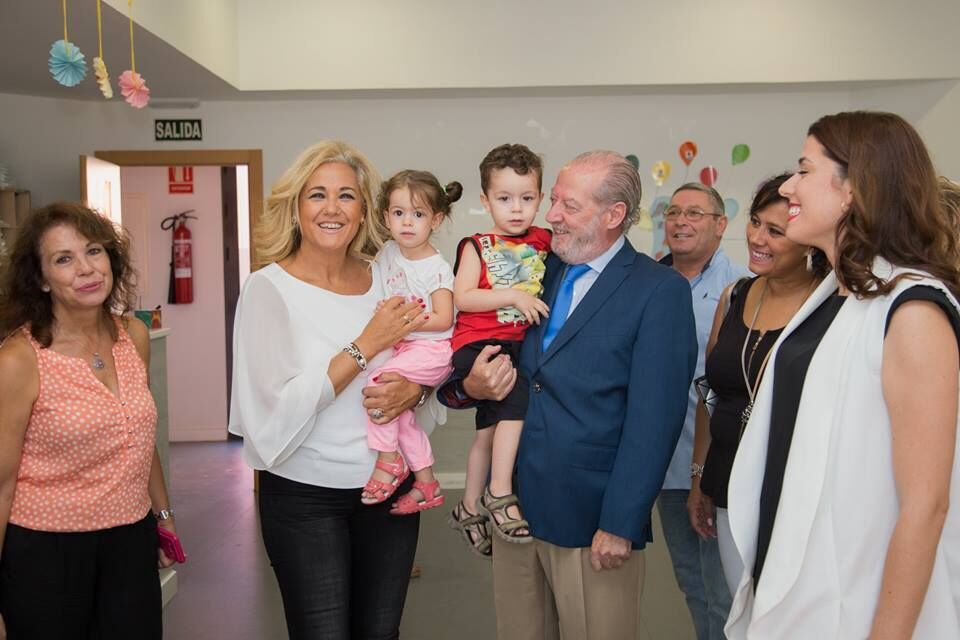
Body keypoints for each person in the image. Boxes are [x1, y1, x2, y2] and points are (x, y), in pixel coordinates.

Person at [443, 150, 698, 639]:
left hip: (591, 516)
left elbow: (655, 420)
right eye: (553, 200)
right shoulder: (538, 268)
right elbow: (486, 344)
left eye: (569, 205)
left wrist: (621, 521)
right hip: (514, 507)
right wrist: (469, 385)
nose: (551, 214)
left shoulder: (658, 291)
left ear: (613, 214)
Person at [725, 112, 960, 638]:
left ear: (854, 189)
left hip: (857, 604)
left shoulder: (913, 311)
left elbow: (927, 506)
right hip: (796, 586)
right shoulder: (838, 297)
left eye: (804, 170)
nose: (789, 187)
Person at [228, 140, 430, 639]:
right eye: (317, 195)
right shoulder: (268, 288)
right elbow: (269, 410)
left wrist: (417, 392)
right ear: (296, 208)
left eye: (347, 196)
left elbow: (424, 361)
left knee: (381, 633)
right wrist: (365, 344)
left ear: (363, 212)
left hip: (388, 490)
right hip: (304, 498)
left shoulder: (388, 278)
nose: (332, 208)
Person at [0, 202, 177, 639]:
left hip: (130, 541)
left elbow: (140, 438)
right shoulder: (20, 359)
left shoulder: (132, 336)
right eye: (64, 259)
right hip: (47, 552)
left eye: (93, 251)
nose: (86, 269)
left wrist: (163, 516)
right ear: (42, 279)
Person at [685, 174, 825, 596]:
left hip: (792, 491)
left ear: (810, 241)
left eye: (775, 231)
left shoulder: (830, 305)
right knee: (739, 609)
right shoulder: (735, 296)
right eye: (755, 222)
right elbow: (710, 394)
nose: (757, 238)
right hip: (727, 481)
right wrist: (699, 476)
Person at [447, 143, 552, 554]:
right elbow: (464, 297)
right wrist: (512, 296)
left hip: (514, 345)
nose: (517, 209)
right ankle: (500, 491)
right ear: (485, 200)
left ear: (540, 199)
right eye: (504, 198)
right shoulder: (477, 245)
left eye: (527, 198)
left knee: (487, 433)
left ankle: (469, 506)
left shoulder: (543, 240)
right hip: (479, 344)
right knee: (517, 407)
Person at [656, 182, 749, 638]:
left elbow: (726, 385)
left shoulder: (741, 290)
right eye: (673, 212)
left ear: (720, 224)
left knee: (724, 590)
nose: (680, 221)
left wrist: (703, 472)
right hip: (663, 462)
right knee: (691, 583)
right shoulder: (649, 281)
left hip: (715, 463)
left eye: (694, 213)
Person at [360, 170, 459, 515]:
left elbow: (444, 318)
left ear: (436, 220)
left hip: (432, 350)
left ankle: (389, 459)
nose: (407, 222)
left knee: (379, 384)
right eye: (398, 213)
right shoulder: (388, 251)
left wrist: (403, 321)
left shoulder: (436, 267)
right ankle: (427, 483)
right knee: (401, 416)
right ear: (386, 217)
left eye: (418, 214)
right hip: (408, 347)